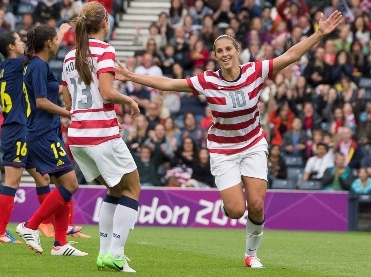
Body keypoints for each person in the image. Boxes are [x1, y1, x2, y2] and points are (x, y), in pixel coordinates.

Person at [115, 11, 344, 268]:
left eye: (228, 49)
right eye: (219, 51)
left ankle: (251, 254)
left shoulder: (254, 71)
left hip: (253, 144)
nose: (224, 54)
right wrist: (132, 77)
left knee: (256, 206)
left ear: (237, 50)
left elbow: (291, 56)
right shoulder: (208, 81)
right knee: (236, 211)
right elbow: (168, 83)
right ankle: (229, 205)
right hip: (223, 149)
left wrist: (319, 34)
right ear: (215, 56)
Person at [61, 1, 140, 272]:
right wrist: (129, 100)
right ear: (105, 23)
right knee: (132, 188)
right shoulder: (105, 50)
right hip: (101, 134)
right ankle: (116, 253)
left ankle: (104, 254)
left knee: (114, 189)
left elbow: (67, 97)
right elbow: (107, 93)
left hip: (78, 135)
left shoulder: (70, 55)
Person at [15, 24, 88, 257]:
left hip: (47, 131)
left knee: (62, 187)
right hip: (42, 134)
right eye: (56, 39)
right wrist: (70, 114)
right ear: (48, 43)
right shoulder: (38, 65)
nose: (59, 42)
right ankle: (30, 226)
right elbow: (41, 102)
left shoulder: (36, 64)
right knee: (71, 185)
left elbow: (48, 94)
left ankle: (59, 243)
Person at [0, 31, 51, 244]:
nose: (23, 43)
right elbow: (37, 56)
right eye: (19, 40)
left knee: (43, 177)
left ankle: (45, 224)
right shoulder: (16, 64)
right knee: (13, 180)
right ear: (11, 47)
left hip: (21, 128)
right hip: (16, 128)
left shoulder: (5, 67)